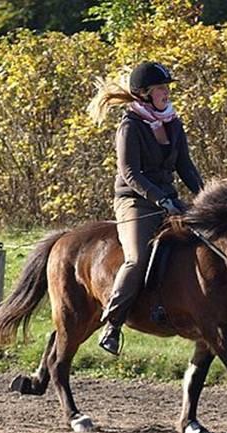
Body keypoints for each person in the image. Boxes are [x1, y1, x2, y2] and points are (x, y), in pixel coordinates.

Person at [88, 61, 203, 355]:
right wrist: (160, 200)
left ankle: (213, 312)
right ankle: (113, 323)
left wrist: (206, 196)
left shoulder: (173, 122)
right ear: (144, 94)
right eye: (161, 88)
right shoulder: (130, 125)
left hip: (168, 197)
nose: (166, 92)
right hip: (134, 201)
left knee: (204, 243)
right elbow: (130, 173)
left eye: (166, 87)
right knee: (137, 259)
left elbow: (185, 166)